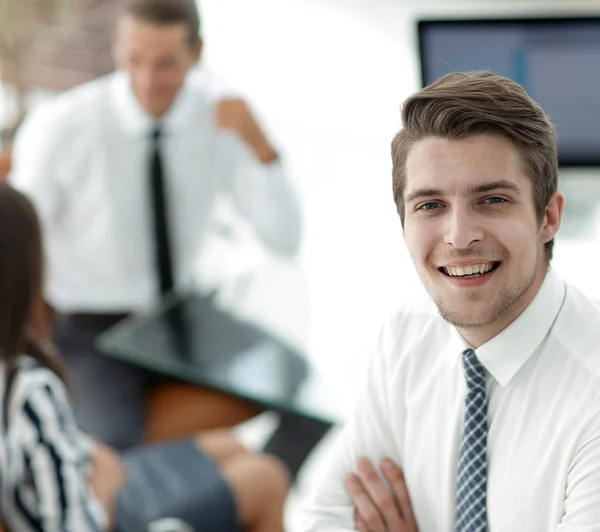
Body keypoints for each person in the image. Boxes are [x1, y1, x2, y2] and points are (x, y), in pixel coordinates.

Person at [301, 71, 600, 531]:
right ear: (403, 220)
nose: (459, 236)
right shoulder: (406, 336)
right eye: (430, 205)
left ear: (548, 217)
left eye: (493, 199)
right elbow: (324, 517)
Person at [8, 0, 301, 451]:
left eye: (165, 63)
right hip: (90, 330)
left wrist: (263, 149)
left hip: (179, 316)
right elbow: (17, 247)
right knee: (112, 444)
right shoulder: (63, 126)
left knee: (303, 393)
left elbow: (284, 238)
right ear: (116, 48)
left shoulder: (220, 117)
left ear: (196, 53)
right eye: (133, 59)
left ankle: (238, 502)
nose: (147, 80)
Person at [0, 182, 290, 532]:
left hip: (83, 472)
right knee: (267, 478)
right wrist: (105, 488)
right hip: (104, 510)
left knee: (231, 446)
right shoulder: (26, 388)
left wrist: (85, 454)